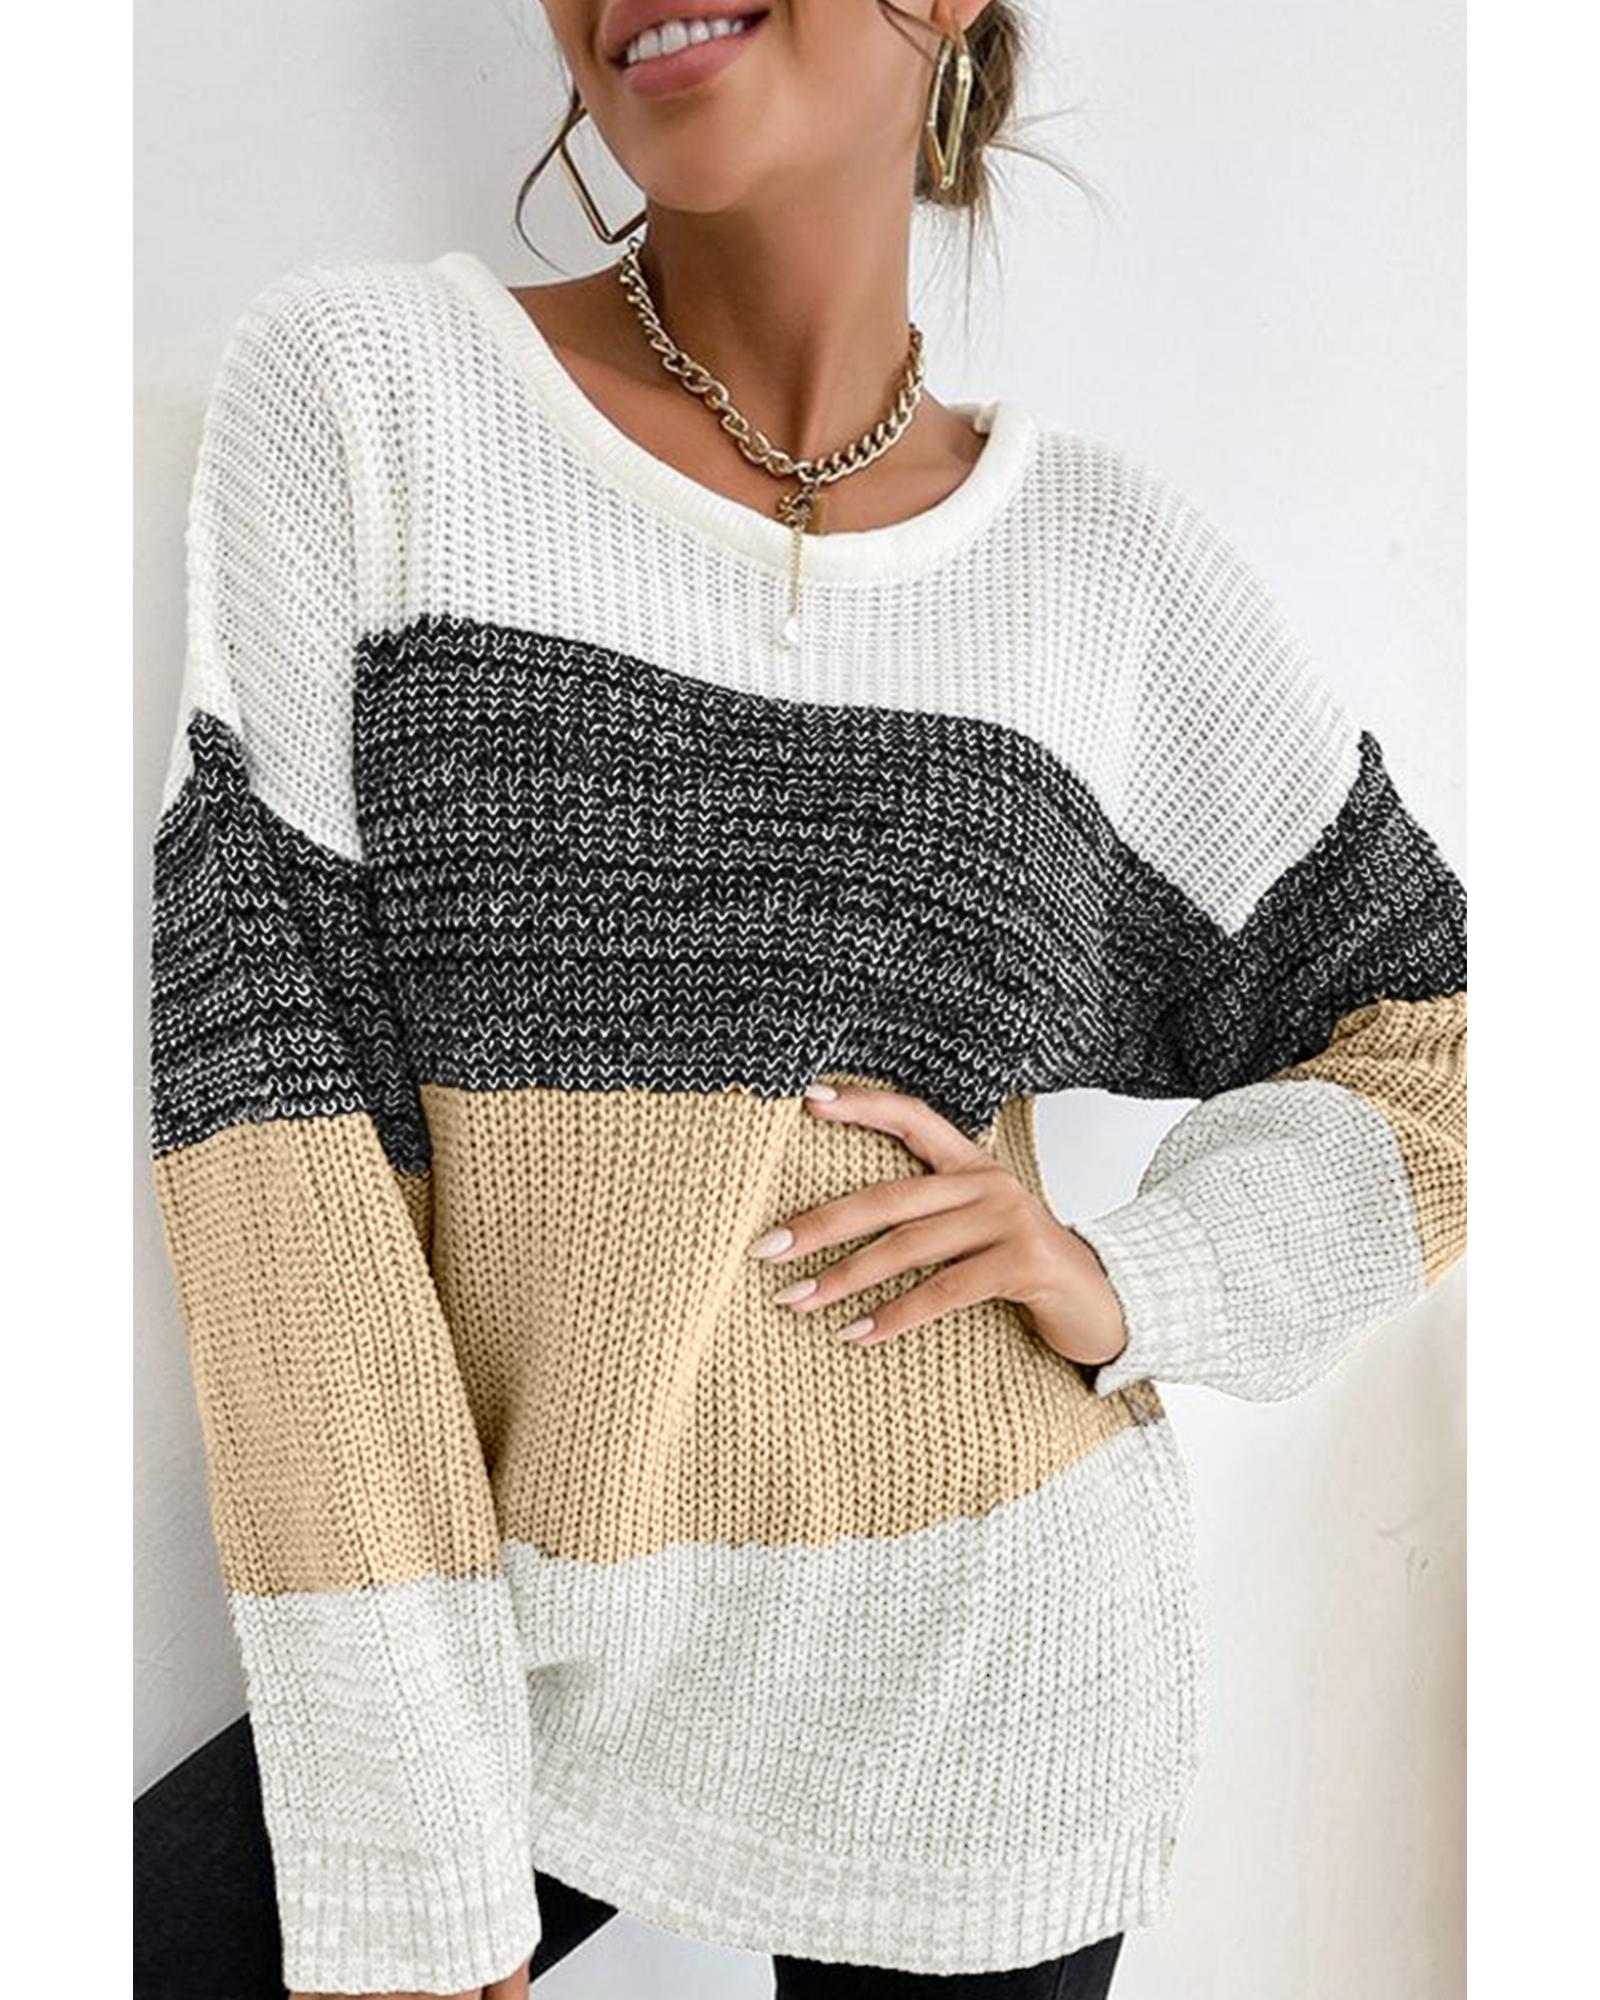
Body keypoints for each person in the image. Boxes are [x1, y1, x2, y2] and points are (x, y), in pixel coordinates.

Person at [141, 3, 1468, 1997]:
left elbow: (1443, 1044)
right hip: (514, 1638)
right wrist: (405, 1838)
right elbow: (274, 1123)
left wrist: (1135, 1277)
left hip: (989, 1680)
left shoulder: (1100, 571)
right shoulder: (373, 399)